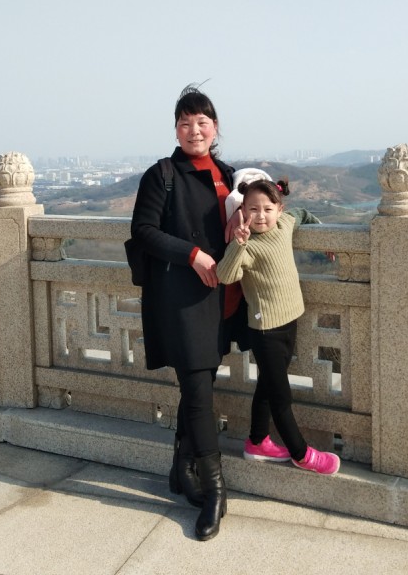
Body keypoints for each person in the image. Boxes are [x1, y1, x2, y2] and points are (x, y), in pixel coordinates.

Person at [129, 84, 244, 541]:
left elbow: (259, 211)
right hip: (183, 299)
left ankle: (181, 470)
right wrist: (192, 254)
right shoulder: (162, 174)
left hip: (222, 298)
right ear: (175, 130)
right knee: (199, 394)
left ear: (215, 128)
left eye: (202, 122)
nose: (194, 130)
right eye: (185, 123)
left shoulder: (228, 173)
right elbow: (143, 230)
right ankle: (215, 490)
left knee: (200, 388)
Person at [216, 178, 341, 475]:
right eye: (253, 209)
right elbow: (225, 275)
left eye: (267, 209)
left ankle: (257, 441)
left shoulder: (284, 224)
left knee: (268, 385)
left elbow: (303, 214)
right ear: (243, 212)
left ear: (279, 209)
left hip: (290, 320)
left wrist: (325, 237)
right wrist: (238, 243)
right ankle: (301, 453)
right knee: (281, 395)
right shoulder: (247, 246)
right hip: (265, 330)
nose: (261, 215)